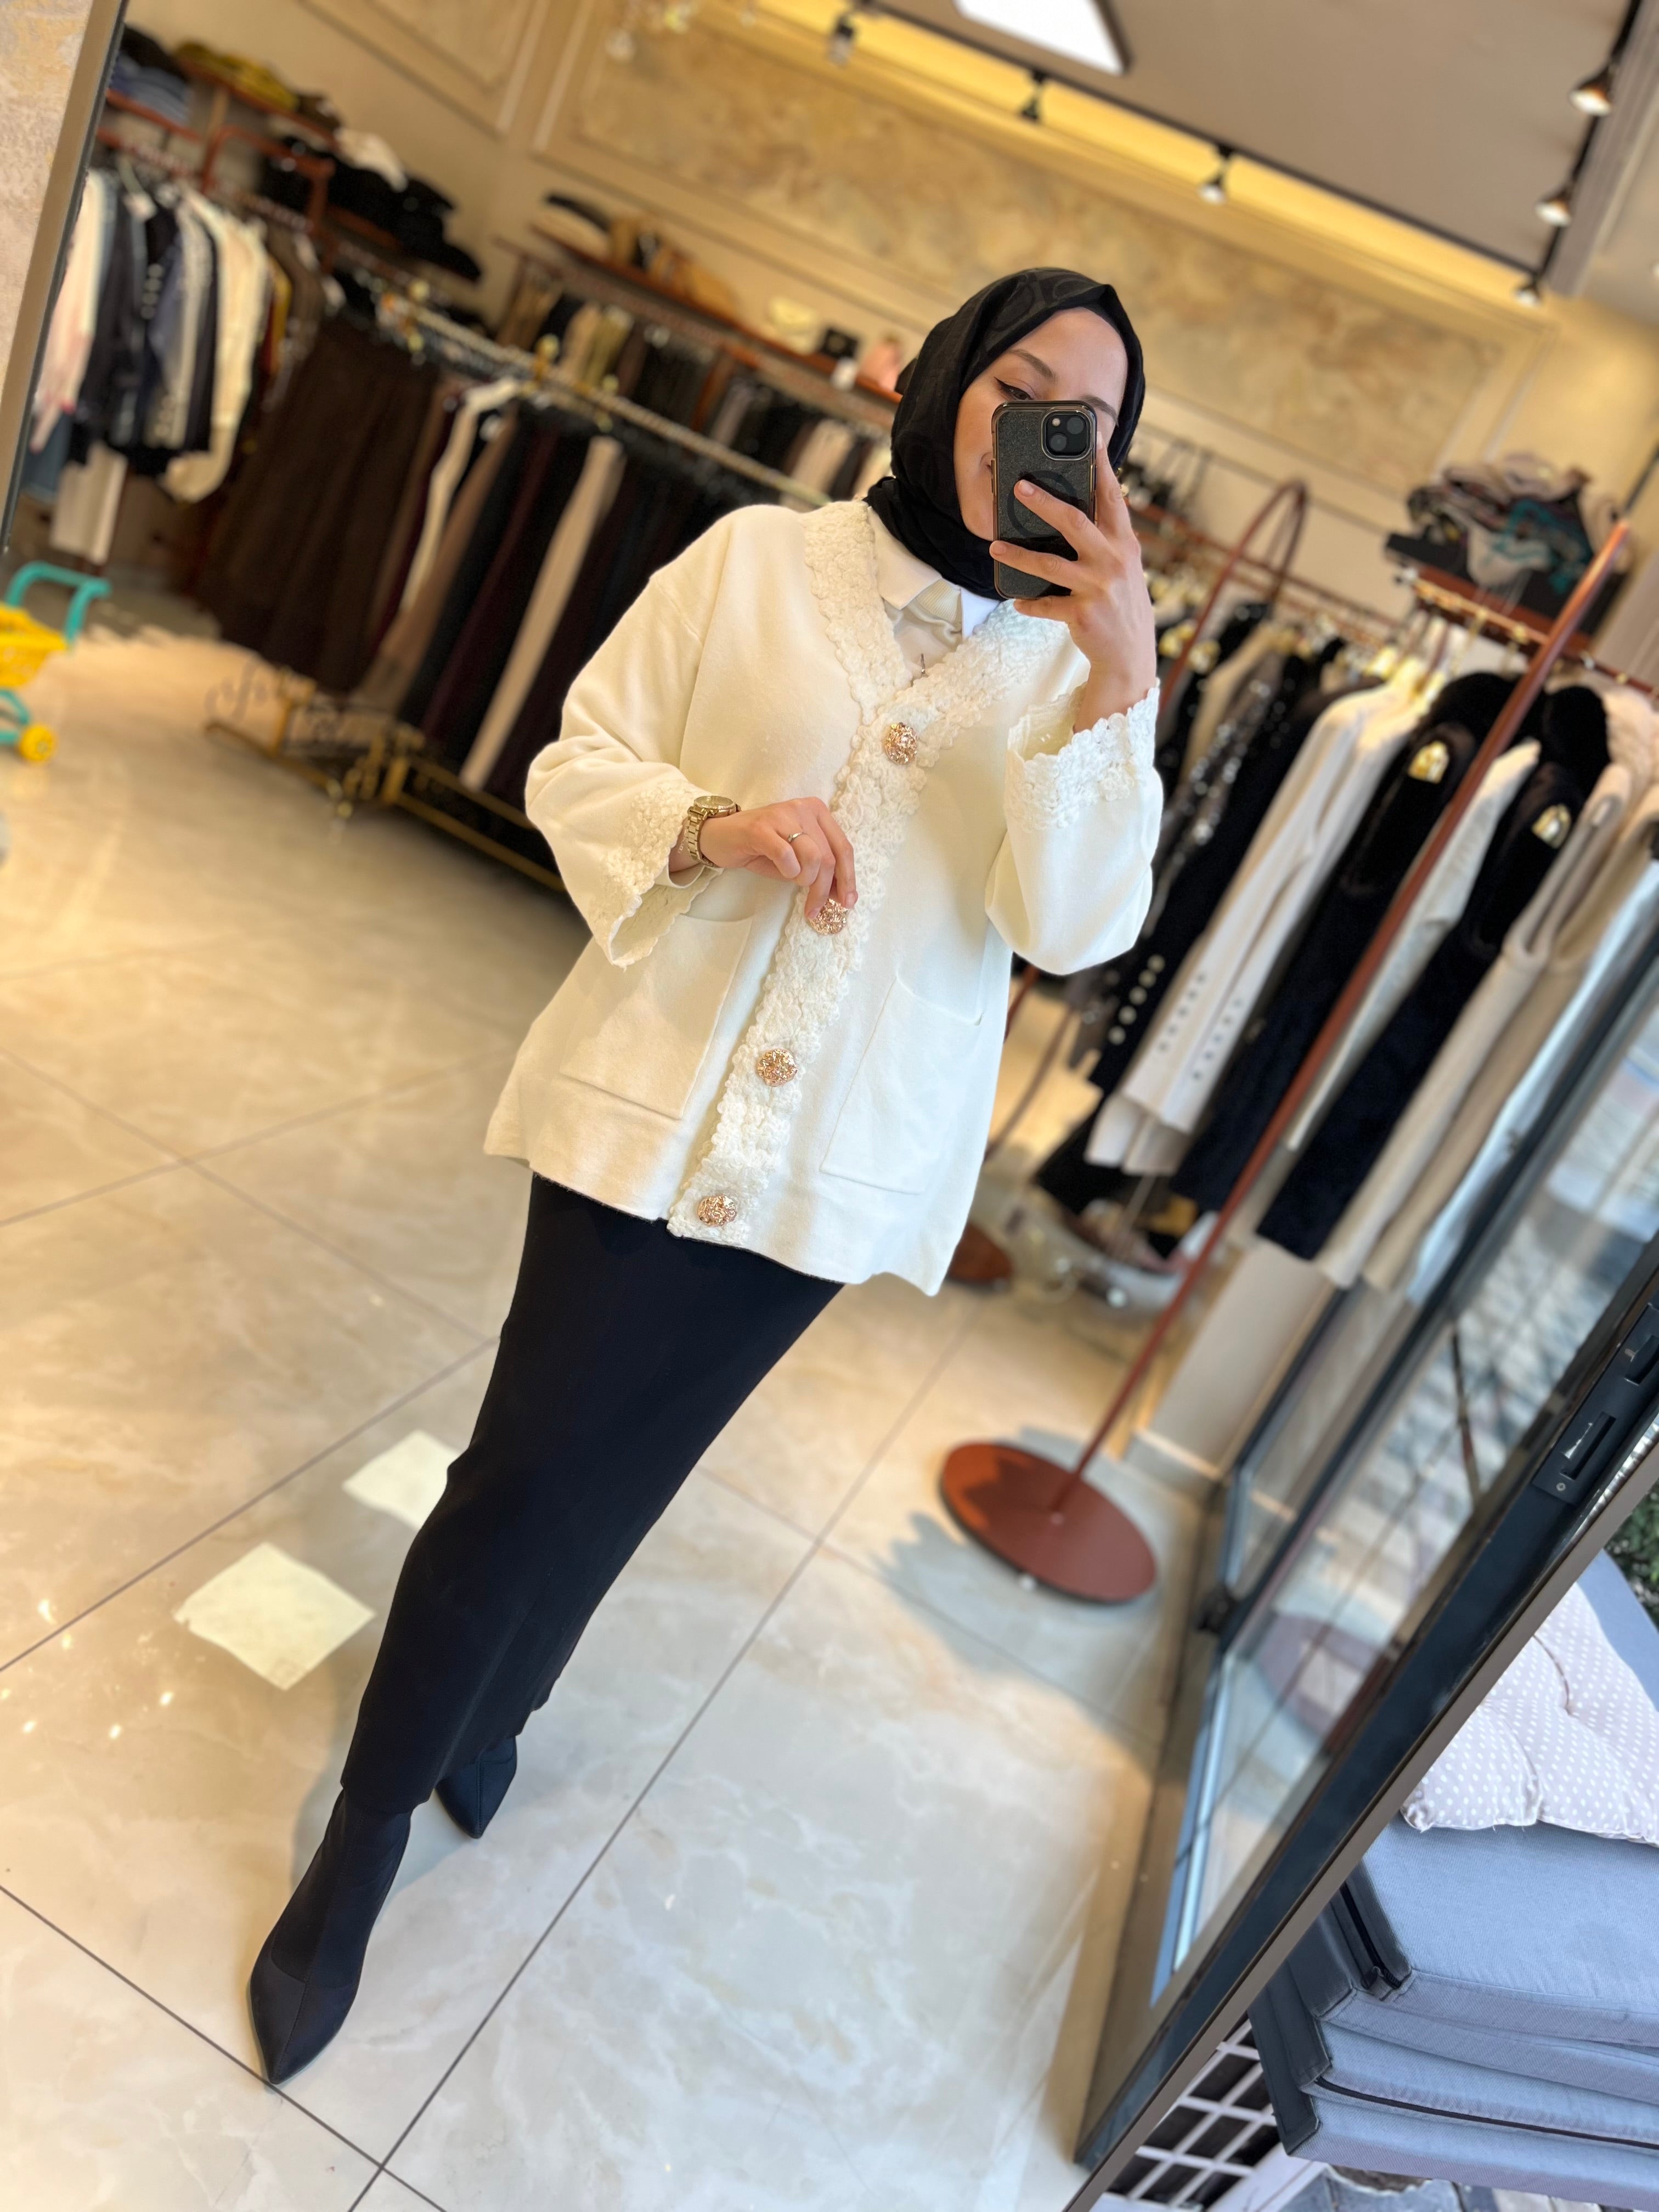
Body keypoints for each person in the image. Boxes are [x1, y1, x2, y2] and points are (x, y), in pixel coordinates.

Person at [248, 267, 1164, 2082]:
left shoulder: (1082, 671)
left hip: (833, 1157)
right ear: (945, 378)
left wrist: (1123, 674)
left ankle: (503, 1705)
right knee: (519, 1474)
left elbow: (1073, 926)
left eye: (1097, 425)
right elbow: (576, 755)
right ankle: (363, 1833)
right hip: (654, 1098)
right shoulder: (754, 561)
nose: (1050, 435)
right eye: (1023, 385)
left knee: (632, 1473)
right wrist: (713, 829)